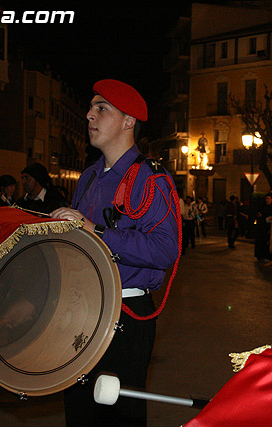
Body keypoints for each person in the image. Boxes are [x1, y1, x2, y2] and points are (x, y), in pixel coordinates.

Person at [50, 79, 179, 426]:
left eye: (101, 108)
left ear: (128, 121)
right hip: (82, 306)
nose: (89, 115)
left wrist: (97, 232)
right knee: (79, 406)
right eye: (91, 108)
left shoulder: (152, 180)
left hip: (126, 311)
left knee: (119, 413)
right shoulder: (89, 177)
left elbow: (165, 250)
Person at [254, 193, 272, 261]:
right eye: (266, 199)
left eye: (268, 199)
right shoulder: (262, 207)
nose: (267, 200)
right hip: (261, 227)